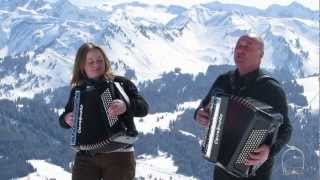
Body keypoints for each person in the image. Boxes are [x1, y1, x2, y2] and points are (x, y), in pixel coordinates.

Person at [194, 34, 292, 180]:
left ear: (261, 55)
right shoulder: (224, 81)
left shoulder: (272, 89)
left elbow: (286, 128)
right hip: (221, 166)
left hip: (255, 172)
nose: (240, 50)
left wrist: (269, 150)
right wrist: (199, 114)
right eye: (238, 46)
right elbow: (204, 106)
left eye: (247, 47)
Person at [59, 42, 149, 180]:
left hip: (119, 155)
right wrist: (66, 118)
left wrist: (125, 106)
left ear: (105, 61)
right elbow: (63, 119)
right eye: (91, 62)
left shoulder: (120, 83)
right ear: (82, 66)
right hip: (86, 157)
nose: (96, 65)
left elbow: (143, 108)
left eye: (100, 60)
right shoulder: (78, 91)